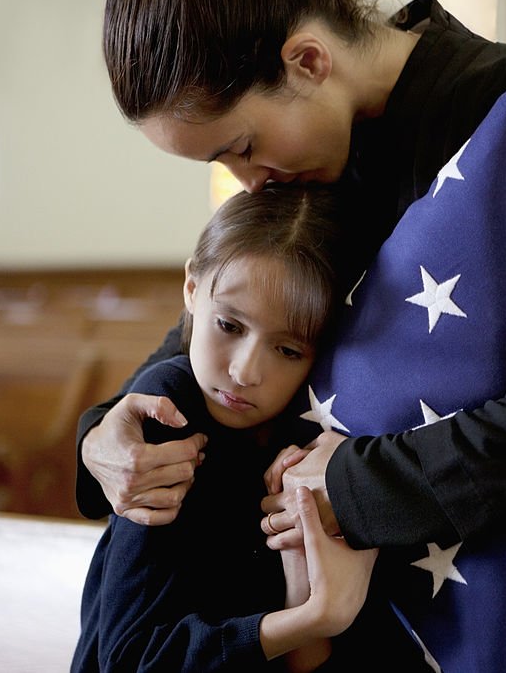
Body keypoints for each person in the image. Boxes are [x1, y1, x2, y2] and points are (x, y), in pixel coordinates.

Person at [79, 0, 506, 670]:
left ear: (308, 60)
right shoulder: (302, 161)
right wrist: (104, 435)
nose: (247, 185)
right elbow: (202, 349)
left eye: (242, 148)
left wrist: (363, 486)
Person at [71, 186, 421, 672]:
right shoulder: (171, 413)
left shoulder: (311, 436)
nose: (244, 372)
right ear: (192, 289)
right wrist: (315, 616)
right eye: (230, 326)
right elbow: (130, 661)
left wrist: (302, 590)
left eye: (288, 350)